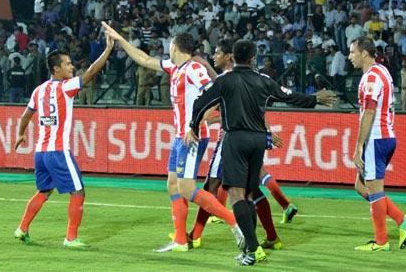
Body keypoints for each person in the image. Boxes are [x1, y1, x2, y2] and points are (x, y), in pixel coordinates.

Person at [186, 40, 336, 265]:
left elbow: (200, 103)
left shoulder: (224, 80)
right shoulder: (264, 81)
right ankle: (251, 247)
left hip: (235, 138)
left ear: (232, 57)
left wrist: (194, 126)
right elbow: (289, 96)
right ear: (253, 58)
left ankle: (253, 249)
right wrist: (315, 99)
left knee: (236, 195)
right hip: (258, 140)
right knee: (249, 194)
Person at [101, 22, 243, 253]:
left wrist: (195, 124)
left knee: (186, 188)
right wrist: (120, 39)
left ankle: (234, 222)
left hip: (193, 137)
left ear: (176, 46)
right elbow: (144, 59)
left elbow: (218, 96)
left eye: (170, 44)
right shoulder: (174, 67)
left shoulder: (194, 69)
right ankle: (179, 240)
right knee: (172, 185)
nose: (168, 47)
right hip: (180, 137)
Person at [13, 33, 114, 248]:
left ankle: (22, 228)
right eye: (67, 64)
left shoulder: (38, 90)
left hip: (40, 152)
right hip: (58, 151)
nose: (71, 67)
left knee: (44, 191)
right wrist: (107, 51)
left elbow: (25, 115)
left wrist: (20, 134)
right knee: (78, 191)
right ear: (56, 69)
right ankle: (70, 238)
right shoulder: (65, 87)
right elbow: (91, 72)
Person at [347, 36, 406, 252]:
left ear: (364, 53)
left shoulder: (371, 78)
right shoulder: (382, 71)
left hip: (376, 139)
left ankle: (381, 241)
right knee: (360, 186)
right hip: (386, 136)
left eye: (352, 52)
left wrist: (359, 146)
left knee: (375, 191)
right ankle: (401, 219)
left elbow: (369, 111)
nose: (350, 57)